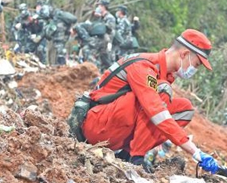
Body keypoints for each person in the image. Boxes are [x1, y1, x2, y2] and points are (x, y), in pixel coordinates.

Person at [81, 29, 219, 174]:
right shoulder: (144, 66)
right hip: (98, 126)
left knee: (184, 109)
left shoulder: (161, 73)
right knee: (160, 93)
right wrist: (194, 151)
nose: (194, 70)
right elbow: (156, 111)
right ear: (184, 54)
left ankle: (126, 154)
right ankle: (136, 158)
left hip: (114, 128)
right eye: (196, 65)